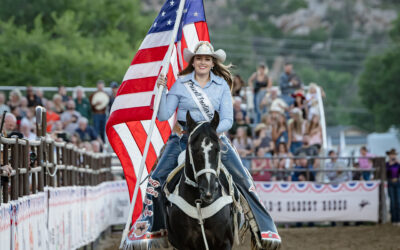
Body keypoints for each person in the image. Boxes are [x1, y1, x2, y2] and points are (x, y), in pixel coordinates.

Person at [129, 41, 280, 248]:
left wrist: (208, 133)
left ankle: (265, 229)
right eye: (199, 58)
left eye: (207, 59)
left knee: (243, 178)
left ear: (212, 63)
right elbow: (164, 115)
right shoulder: (181, 84)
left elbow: (228, 119)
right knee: (156, 180)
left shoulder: (221, 86)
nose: (203, 62)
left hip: (214, 138)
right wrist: (161, 91)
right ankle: (151, 230)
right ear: (193, 62)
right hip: (183, 139)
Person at [386, 148, 400, 224]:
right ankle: (393, 219)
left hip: (397, 182)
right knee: (392, 201)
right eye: (391, 154)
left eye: (394, 154)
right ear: (389, 155)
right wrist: (390, 164)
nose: (392, 156)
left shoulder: (398, 164)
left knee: (398, 201)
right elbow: (386, 173)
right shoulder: (387, 164)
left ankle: (398, 219)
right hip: (390, 182)